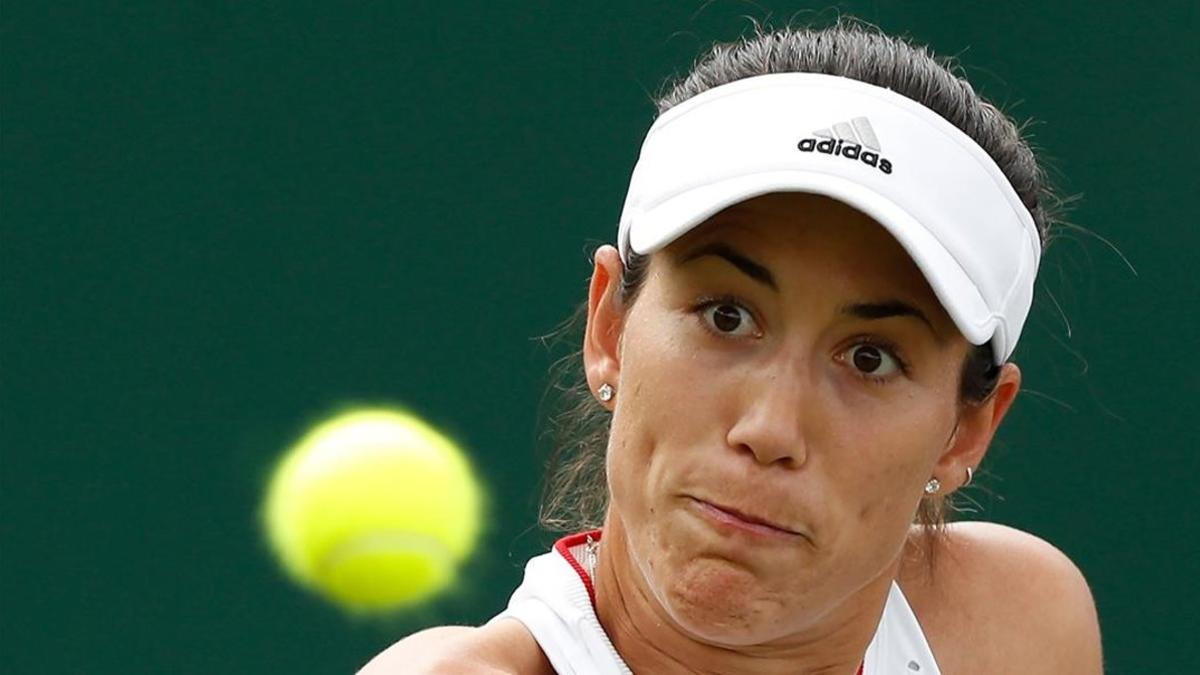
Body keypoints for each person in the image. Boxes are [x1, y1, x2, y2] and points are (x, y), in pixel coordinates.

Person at [361, 21, 1102, 675]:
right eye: (726, 316)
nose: (770, 428)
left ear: (966, 429)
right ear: (609, 328)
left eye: (870, 357)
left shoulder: (1018, 630)